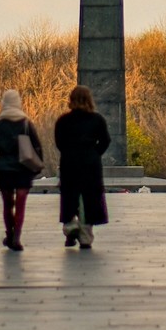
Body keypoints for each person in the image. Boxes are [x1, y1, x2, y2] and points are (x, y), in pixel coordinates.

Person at [0, 89, 44, 251]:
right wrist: (37, 166)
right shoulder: (25, 122)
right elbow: (36, 145)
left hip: (5, 168)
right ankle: (17, 236)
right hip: (23, 168)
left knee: (7, 204)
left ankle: (9, 234)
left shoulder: (0, 122)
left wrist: (1, 145)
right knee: (21, 204)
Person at [53, 85, 111, 249]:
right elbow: (105, 140)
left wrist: (69, 153)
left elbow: (59, 142)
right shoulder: (97, 120)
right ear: (89, 100)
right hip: (90, 163)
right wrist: (94, 153)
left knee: (70, 195)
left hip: (69, 162)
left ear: (71, 100)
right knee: (89, 198)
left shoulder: (63, 120)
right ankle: (85, 236)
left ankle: (70, 226)